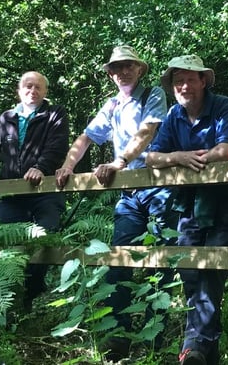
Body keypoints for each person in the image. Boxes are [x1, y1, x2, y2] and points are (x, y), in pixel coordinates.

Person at [54, 45, 175, 361]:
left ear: (139, 69)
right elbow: (85, 138)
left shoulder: (152, 96)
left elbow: (148, 131)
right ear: (110, 74)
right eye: (116, 68)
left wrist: (120, 160)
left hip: (157, 185)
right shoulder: (111, 106)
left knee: (161, 257)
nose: (123, 72)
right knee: (118, 261)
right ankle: (119, 336)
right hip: (129, 195)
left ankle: (155, 335)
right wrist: (68, 165)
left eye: (128, 66)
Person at [146, 54, 228, 365]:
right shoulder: (173, 115)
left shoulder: (222, 105)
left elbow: (225, 149)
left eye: (190, 79)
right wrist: (180, 156)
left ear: (203, 80)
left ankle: (194, 347)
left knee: (212, 270)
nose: (184, 86)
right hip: (191, 205)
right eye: (178, 81)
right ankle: (204, 353)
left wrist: (191, 158)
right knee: (190, 271)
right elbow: (152, 158)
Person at [0, 71, 70, 311]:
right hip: (11, 196)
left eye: (38, 87)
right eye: (28, 86)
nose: (33, 91)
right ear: (19, 91)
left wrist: (41, 167)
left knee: (44, 239)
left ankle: (31, 294)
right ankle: (6, 306)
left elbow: (57, 146)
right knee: (9, 246)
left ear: (45, 91)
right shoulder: (5, 118)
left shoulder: (54, 114)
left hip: (45, 192)